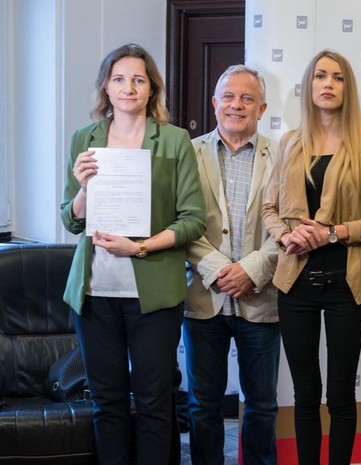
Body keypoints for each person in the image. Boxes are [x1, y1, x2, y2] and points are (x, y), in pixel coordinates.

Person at [60, 43, 206, 465]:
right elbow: (70, 220)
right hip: (94, 294)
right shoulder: (84, 139)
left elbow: (193, 220)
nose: (129, 87)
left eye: (138, 79)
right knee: (106, 403)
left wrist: (138, 246)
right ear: (106, 87)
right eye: (119, 79)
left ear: (151, 88)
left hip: (154, 295)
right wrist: (83, 191)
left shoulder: (174, 140)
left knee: (154, 402)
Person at [261, 50, 361, 465]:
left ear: (347, 88)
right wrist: (287, 236)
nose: (328, 84)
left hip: (346, 284)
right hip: (295, 285)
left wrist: (334, 233)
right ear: (309, 85)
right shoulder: (289, 143)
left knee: (340, 395)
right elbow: (269, 209)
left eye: (338, 77)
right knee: (305, 394)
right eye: (321, 75)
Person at [184, 65, 280, 465]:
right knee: (202, 404)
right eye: (228, 96)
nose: (236, 105)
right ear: (214, 103)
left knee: (262, 405)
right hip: (204, 296)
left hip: (261, 298)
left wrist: (251, 270)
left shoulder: (284, 155)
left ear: (262, 108)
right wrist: (220, 269)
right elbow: (178, 221)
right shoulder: (188, 153)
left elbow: (290, 225)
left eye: (246, 98)